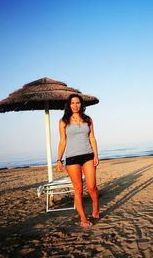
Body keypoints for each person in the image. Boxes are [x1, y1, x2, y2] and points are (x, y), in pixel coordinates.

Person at [56, 93, 99, 228]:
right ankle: (83, 218)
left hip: (88, 155)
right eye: (73, 103)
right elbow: (62, 141)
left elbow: (92, 138)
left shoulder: (88, 119)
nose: (75, 105)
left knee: (91, 187)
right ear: (69, 105)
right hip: (72, 158)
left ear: (81, 104)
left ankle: (95, 207)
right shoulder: (64, 121)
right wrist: (58, 159)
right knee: (78, 189)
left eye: (78, 103)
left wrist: (96, 155)